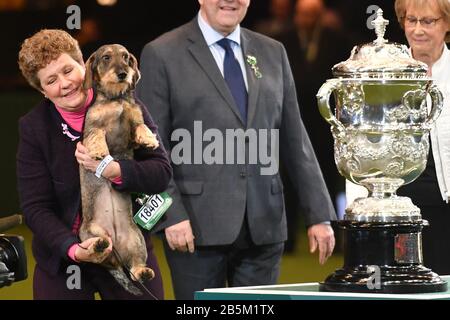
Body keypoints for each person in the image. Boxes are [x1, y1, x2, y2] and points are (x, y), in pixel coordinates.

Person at [136, 0, 336, 300]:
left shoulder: (273, 51)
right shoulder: (161, 53)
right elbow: (148, 145)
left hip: (264, 226)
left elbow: (295, 138)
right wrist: (170, 215)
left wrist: (318, 214)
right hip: (193, 228)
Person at [17, 29, 172, 299]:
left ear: (85, 66)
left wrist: (116, 170)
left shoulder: (129, 106)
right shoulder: (34, 128)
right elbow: (35, 207)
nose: (64, 83)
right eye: (51, 80)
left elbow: (161, 173)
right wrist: (74, 248)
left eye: (68, 70)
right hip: (66, 258)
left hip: (127, 246)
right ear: (42, 90)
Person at [347, 0, 450, 275]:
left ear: (447, 24)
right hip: (399, 206)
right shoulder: (382, 72)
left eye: (429, 21)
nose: (418, 30)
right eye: (411, 20)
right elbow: (358, 140)